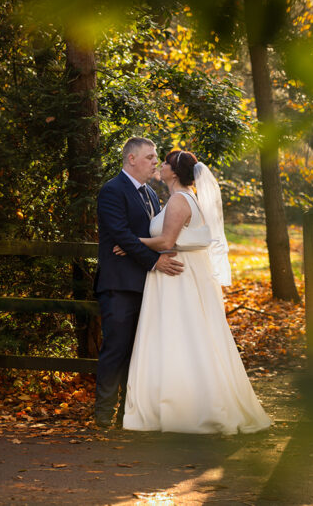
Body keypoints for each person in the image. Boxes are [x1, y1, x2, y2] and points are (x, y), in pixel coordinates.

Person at [119, 149, 272, 434]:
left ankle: (187, 408)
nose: (160, 165)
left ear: (174, 172)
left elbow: (166, 240)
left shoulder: (179, 200)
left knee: (180, 334)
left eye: (164, 162)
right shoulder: (184, 198)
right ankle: (180, 402)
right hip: (178, 273)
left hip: (177, 277)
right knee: (187, 335)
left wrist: (129, 242)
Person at [94, 137, 184, 429]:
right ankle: (103, 413)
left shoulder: (150, 194)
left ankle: (128, 415)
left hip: (147, 285)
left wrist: (154, 254)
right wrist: (155, 260)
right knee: (116, 349)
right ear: (131, 159)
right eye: (150, 157)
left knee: (139, 353)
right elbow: (120, 234)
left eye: (156, 157)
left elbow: (149, 238)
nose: (155, 162)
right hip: (119, 285)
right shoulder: (112, 191)